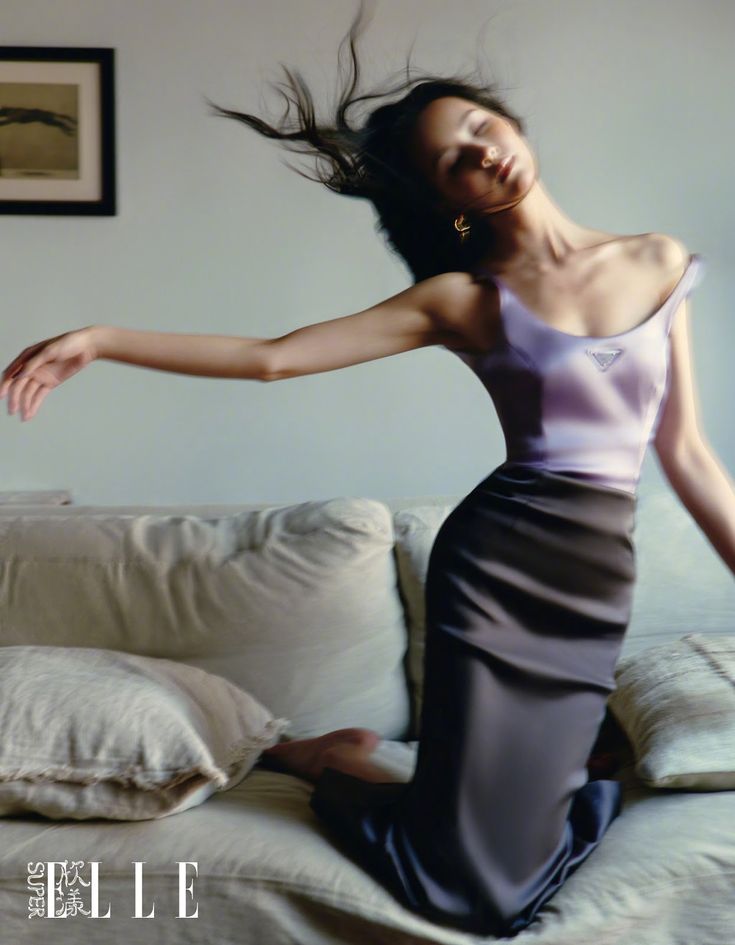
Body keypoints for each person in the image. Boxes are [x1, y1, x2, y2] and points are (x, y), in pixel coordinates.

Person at [2, 4, 734, 938]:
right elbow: (274, 356)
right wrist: (102, 339)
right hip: (498, 569)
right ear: (449, 205)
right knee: (474, 893)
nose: (480, 153)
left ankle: (381, 763)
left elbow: (689, 457)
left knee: (514, 849)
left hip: (595, 576)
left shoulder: (656, 259)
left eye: (478, 126)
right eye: (452, 163)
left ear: (507, 121)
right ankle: (331, 760)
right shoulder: (465, 298)